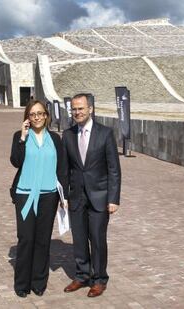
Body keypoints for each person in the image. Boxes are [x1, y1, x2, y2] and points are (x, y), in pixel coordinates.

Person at [62, 93, 121, 297]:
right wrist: (64, 196)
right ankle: (81, 276)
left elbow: (114, 168)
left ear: (91, 109)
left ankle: (99, 279)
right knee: (79, 239)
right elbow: (65, 168)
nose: (77, 112)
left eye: (81, 108)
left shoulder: (105, 133)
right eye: (74, 109)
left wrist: (113, 199)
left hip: (99, 197)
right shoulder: (67, 135)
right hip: (76, 196)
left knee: (97, 239)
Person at [10, 100, 67, 298]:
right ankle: (22, 284)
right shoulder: (20, 136)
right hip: (25, 194)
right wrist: (23, 137)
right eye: (33, 114)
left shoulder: (55, 139)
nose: (37, 117)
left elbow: (62, 168)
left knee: (43, 240)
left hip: (48, 196)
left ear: (46, 115)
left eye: (40, 113)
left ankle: (38, 282)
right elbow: (15, 161)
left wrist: (64, 196)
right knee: (26, 239)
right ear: (27, 116)